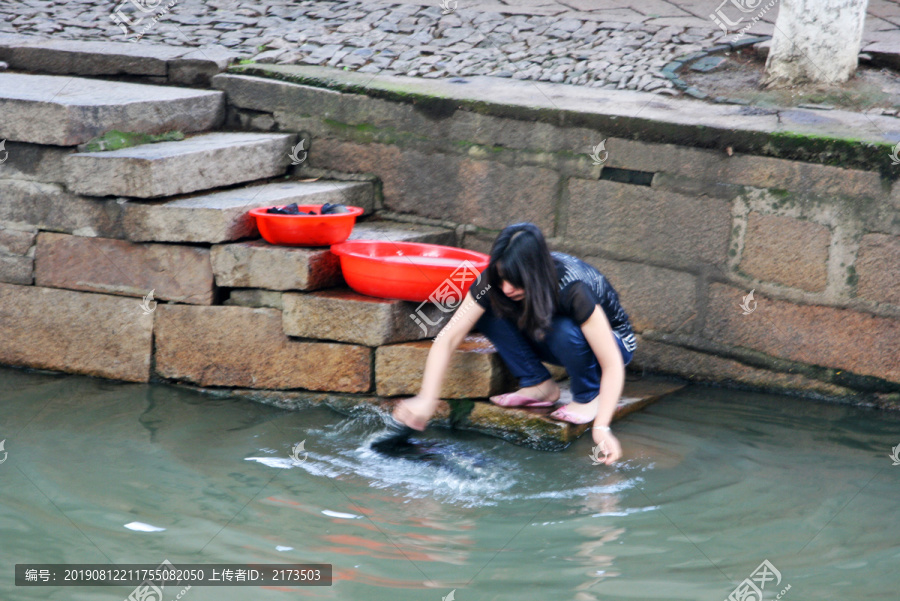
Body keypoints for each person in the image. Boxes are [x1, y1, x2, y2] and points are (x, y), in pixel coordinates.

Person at [392, 223, 636, 464]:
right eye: (502, 278)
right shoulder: (494, 281)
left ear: (535, 275)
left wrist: (602, 427)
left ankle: (588, 395)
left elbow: (613, 364)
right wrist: (427, 397)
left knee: (562, 329)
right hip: (549, 332)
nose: (507, 289)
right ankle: (538, 384)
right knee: (485, 309)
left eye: (517, 281)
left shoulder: (573, 287)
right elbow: (449, 338)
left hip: (612, 344)